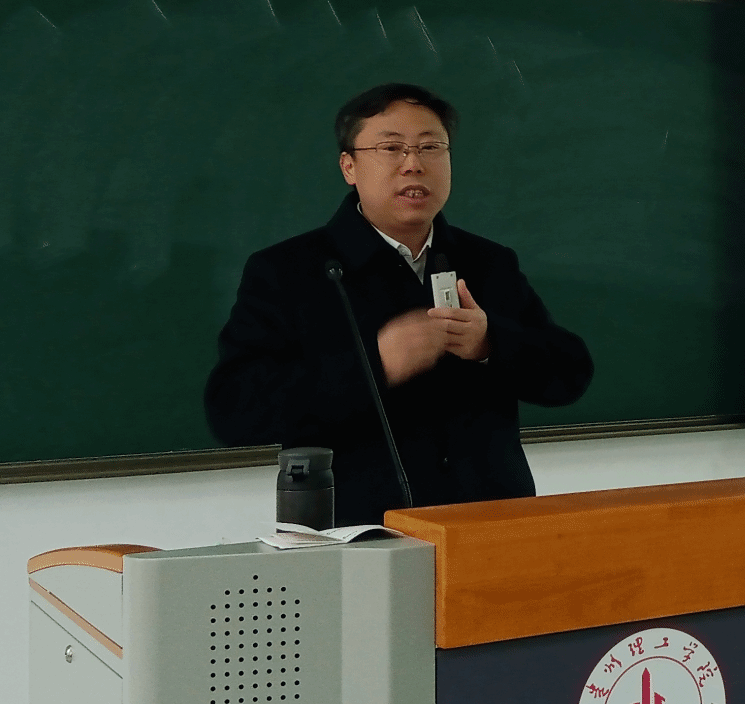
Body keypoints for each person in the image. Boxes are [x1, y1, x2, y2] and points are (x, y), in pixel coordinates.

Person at [205, 82, 593, 522]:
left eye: (430, 147)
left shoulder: (488, 262)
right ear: (349, 166)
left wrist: (490, 344)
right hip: (359, 530)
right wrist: (376, 363)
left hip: (489, 522)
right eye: (391, 148)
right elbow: (234, 411)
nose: (413, 164)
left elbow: (570, 374)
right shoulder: (288, 270)